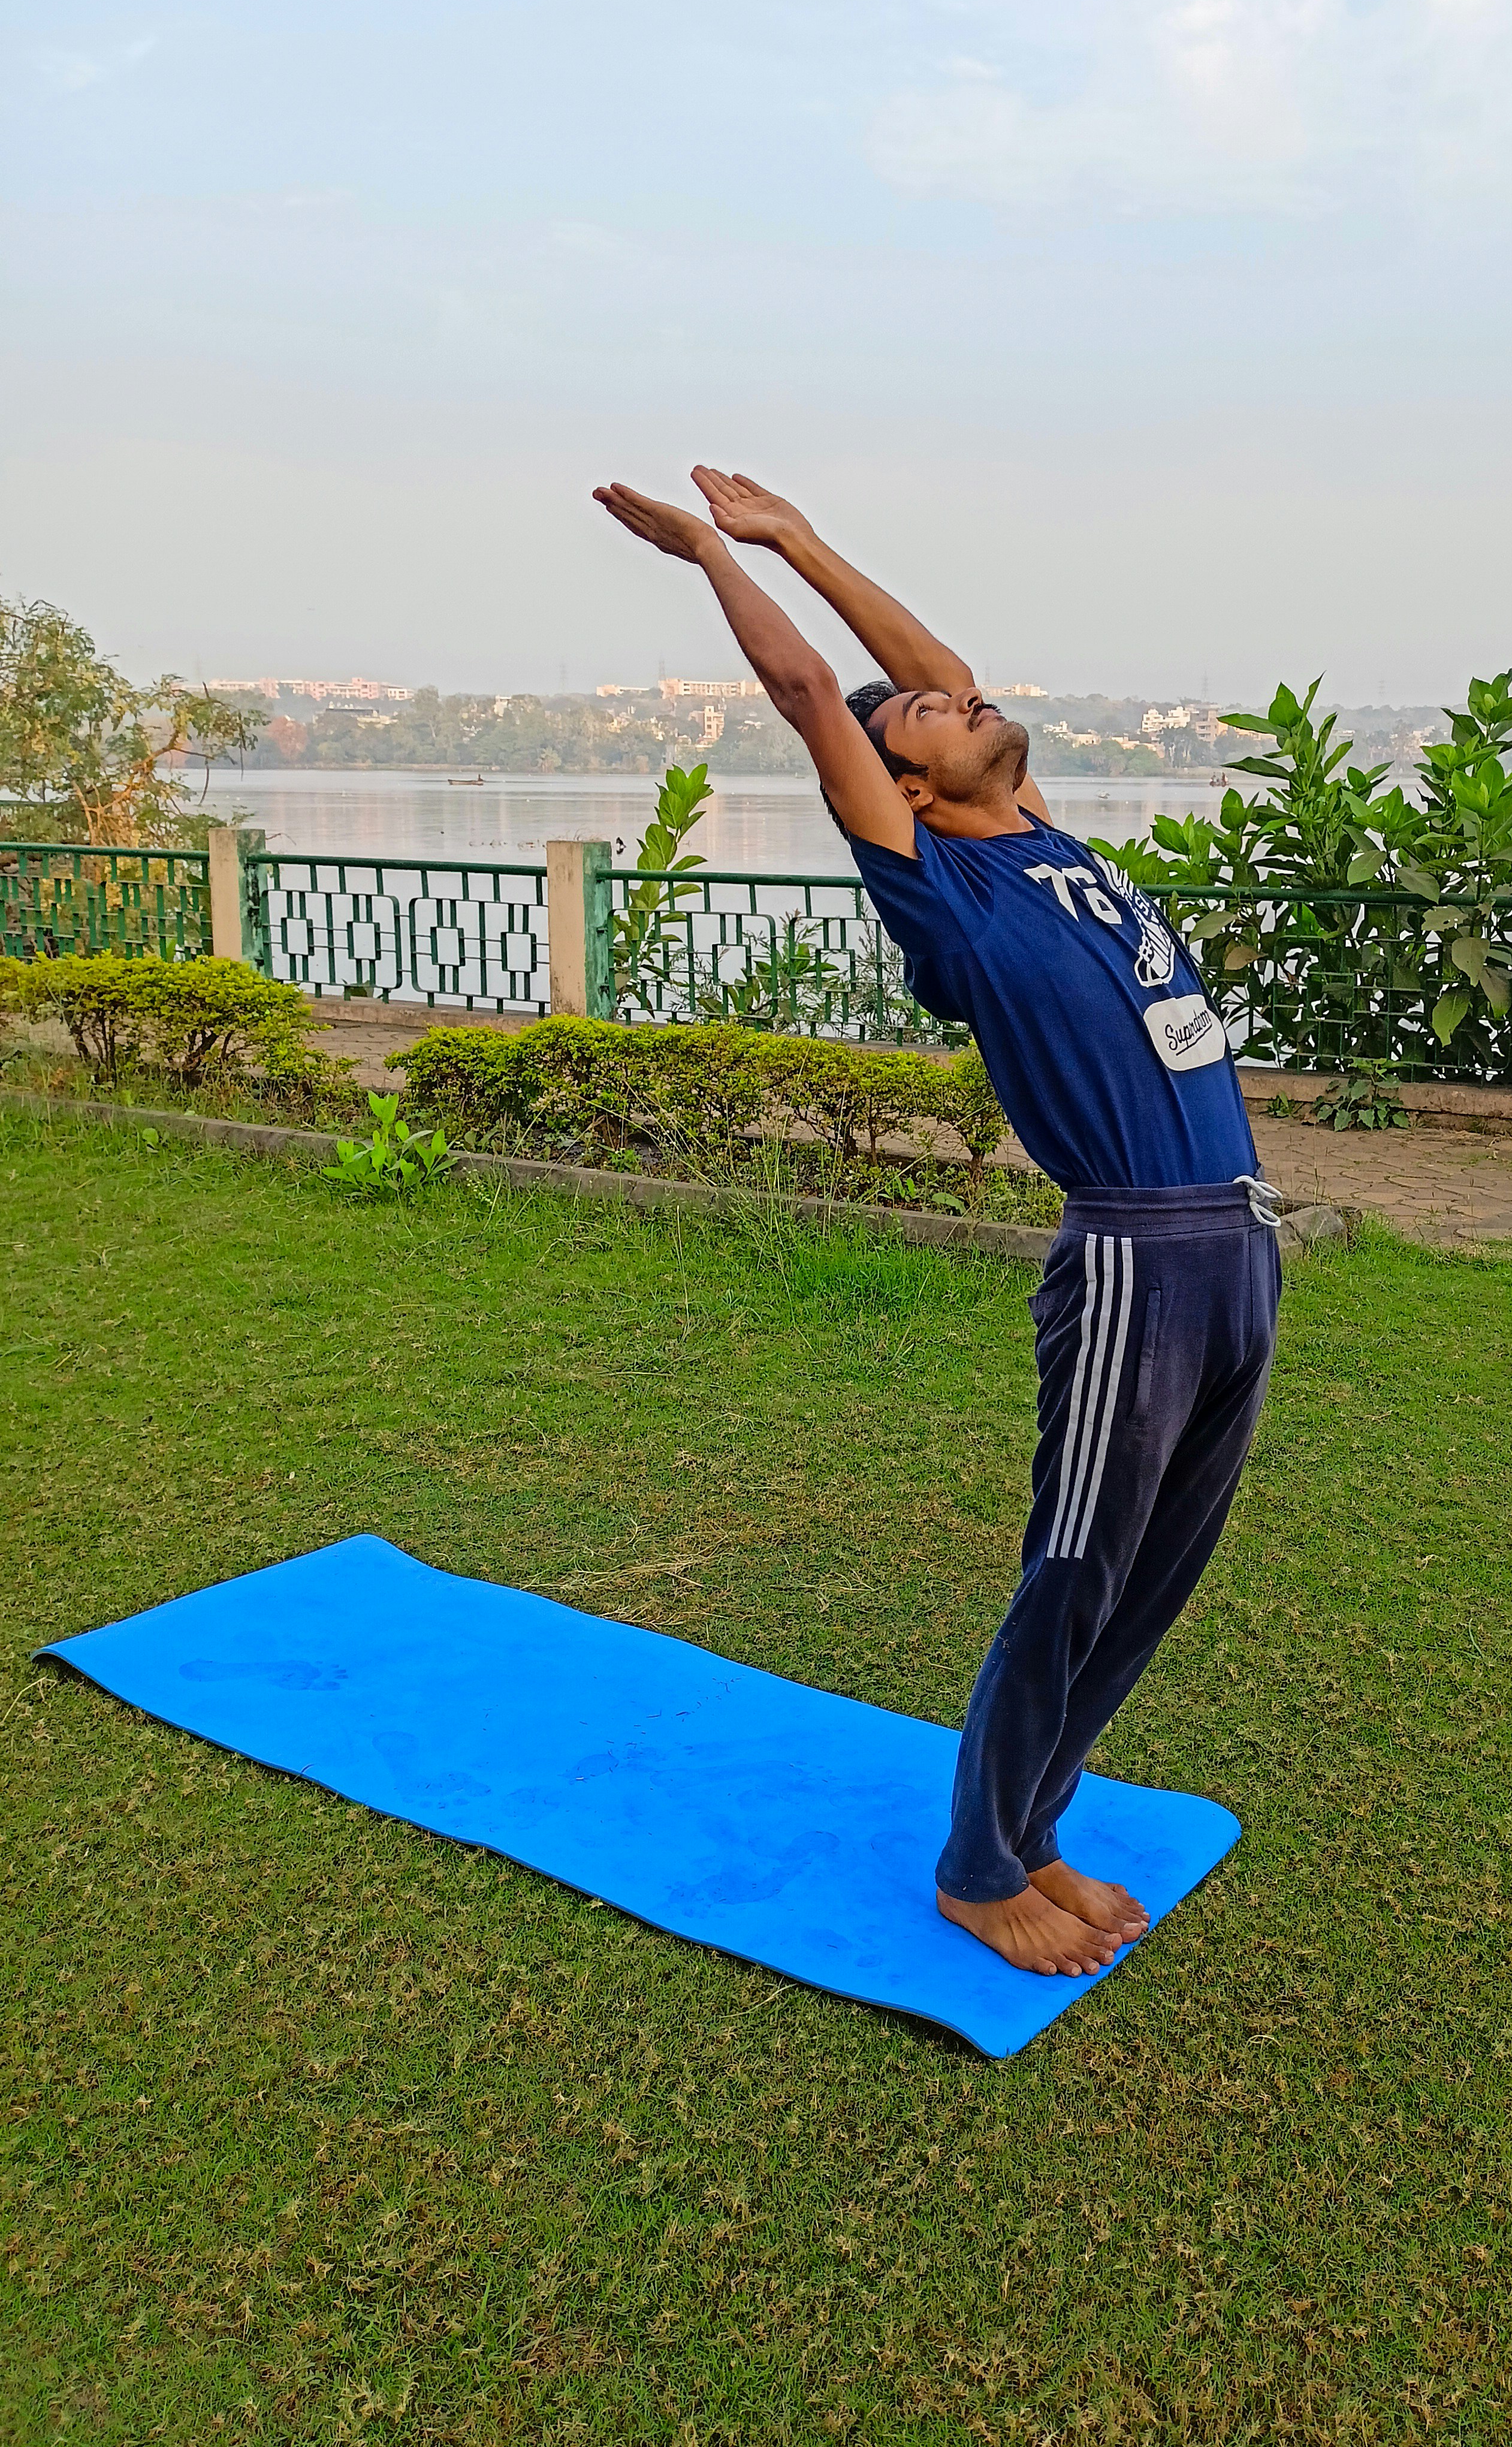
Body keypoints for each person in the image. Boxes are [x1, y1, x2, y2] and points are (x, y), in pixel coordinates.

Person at [593, 465, 1282, 1978]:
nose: (957, 704)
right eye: (918, 724)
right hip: (1135, 1259)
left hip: (1237, 1239)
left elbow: (939, 674)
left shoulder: (1040, 833)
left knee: (1157, 1573)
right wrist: (714, 553)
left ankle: (1037, 1826)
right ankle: (978, 1862)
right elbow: (804, 692)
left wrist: (806, 536)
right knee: (1079, 1560)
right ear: (902, 786)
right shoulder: (942, 882)